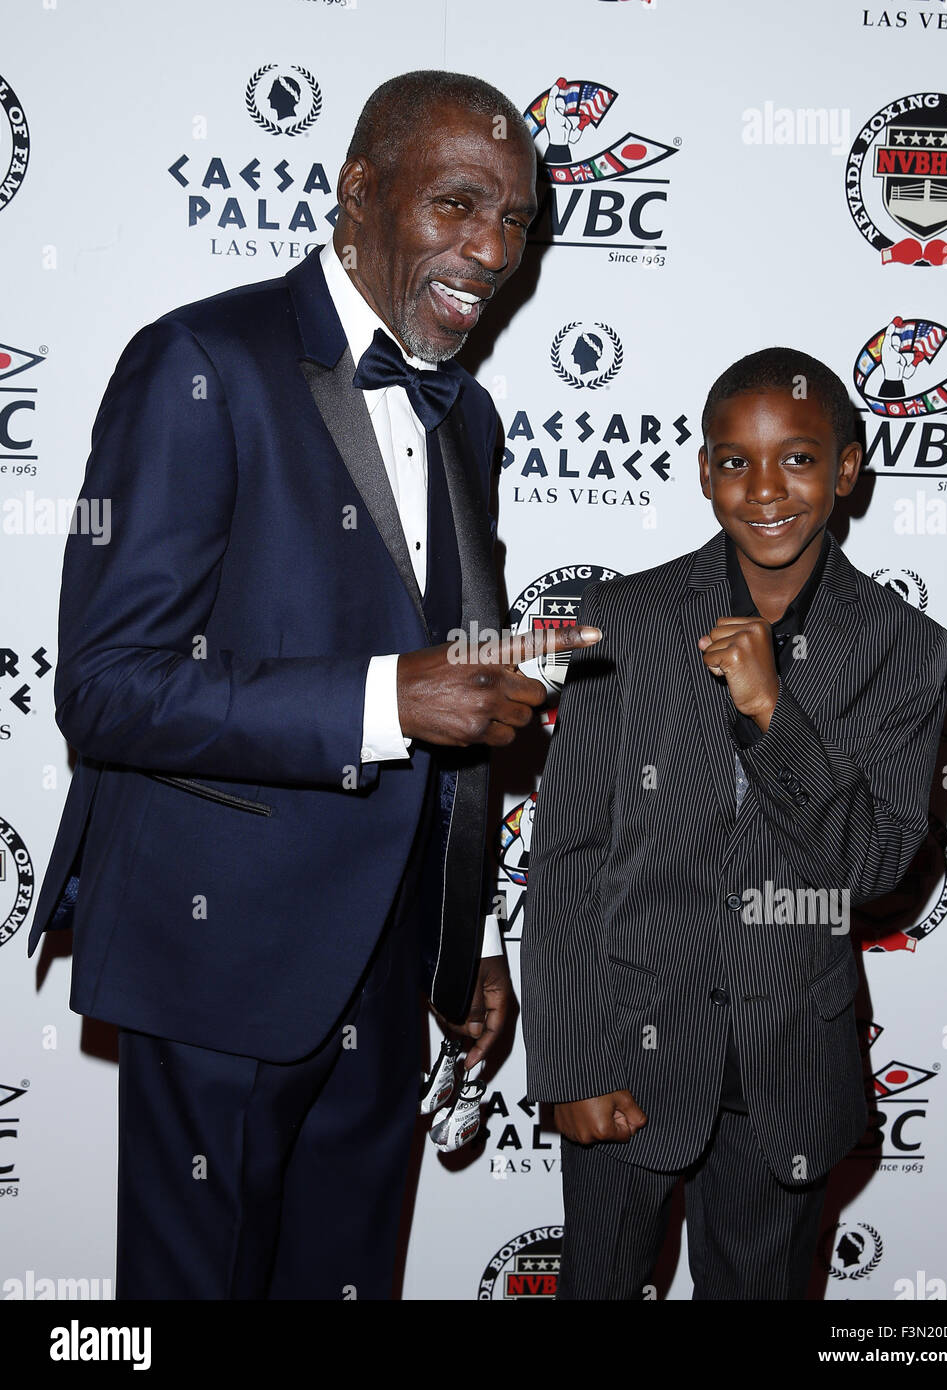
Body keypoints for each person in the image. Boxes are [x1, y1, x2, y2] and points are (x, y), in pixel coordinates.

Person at [29, 69, 597, 1300]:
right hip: (223, 946)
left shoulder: (472, 416)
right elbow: (110, 686)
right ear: (356, 190)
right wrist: (390, 698)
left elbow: (449, 675)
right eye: (459, 205)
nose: (492, 249)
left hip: (391, 965)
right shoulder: (201, 359)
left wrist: (474, 938)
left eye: (515, 222)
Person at [520, 347, 947, 1300]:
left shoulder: (907, 650)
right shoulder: (622, 618)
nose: (764, 490)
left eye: (797, 459)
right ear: (702, 469)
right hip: (622, 1051)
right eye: (733, 461)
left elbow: (873, 863)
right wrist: (570, 1059)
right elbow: (565, 857)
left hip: (789, 1069)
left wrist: (772, 715)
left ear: (845, 469)